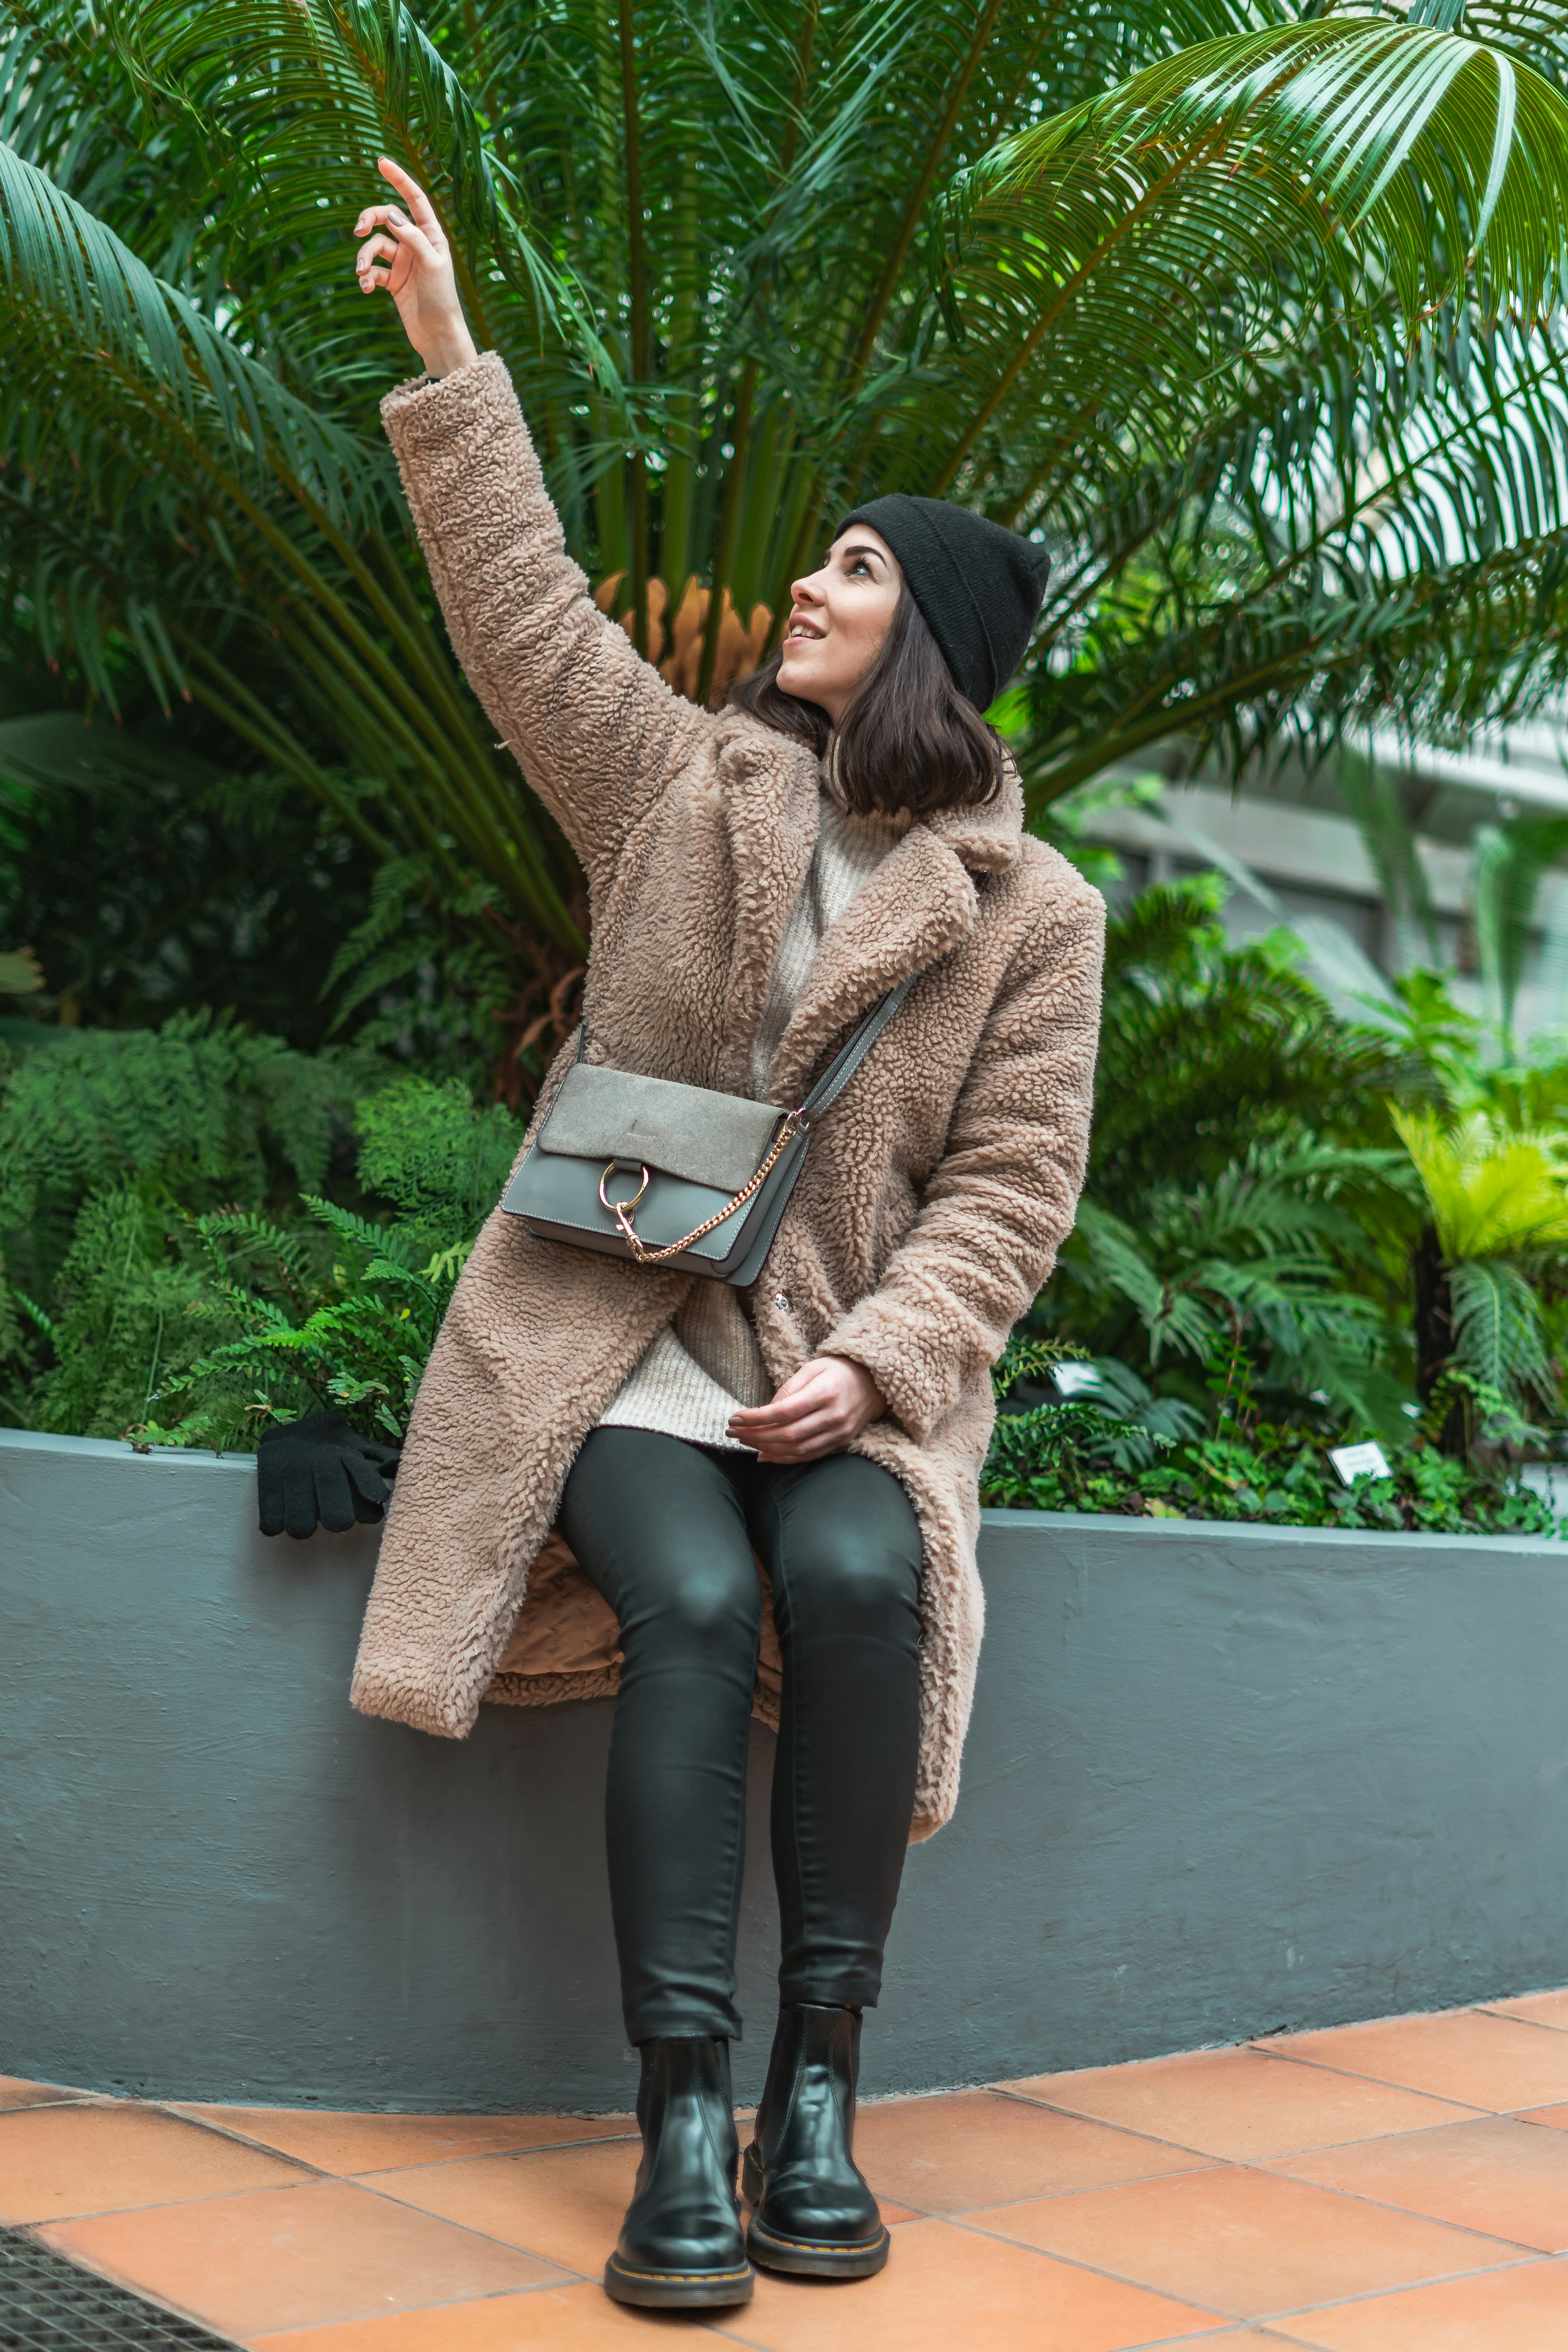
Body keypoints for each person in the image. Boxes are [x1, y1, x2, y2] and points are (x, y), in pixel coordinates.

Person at [268, 153, 1102, 2314]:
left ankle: (818, 2093)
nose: (806, 584)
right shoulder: (677, 784)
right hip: (612, 1333)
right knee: (701, 1606)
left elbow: (1011, 1188)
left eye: (853, 567)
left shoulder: (1037, 916)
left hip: (840, 1357)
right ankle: (678, 2115)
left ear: (931, 634)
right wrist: (451, 358)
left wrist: (880, 1366)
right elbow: (525, 610)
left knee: (859, 1577)